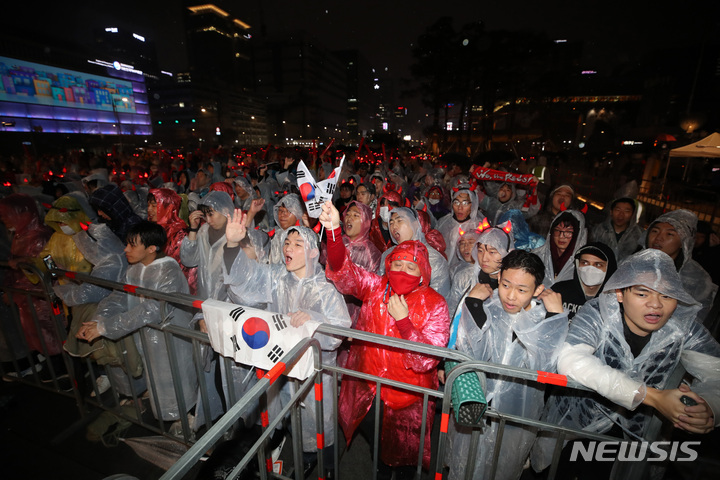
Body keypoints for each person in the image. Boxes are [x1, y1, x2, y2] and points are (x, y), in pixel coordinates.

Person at [531, 249, 720, 478]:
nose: (656, 305)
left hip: (635, 440)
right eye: (643, 294)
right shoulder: (599, 311)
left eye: (667, 296)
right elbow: (572, 359)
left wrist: (707, 408)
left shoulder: (684, 327)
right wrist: (652, 397)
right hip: (575, 431)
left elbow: (716, 372)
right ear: (620, 293)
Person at [320, 201, 450, 480]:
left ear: (423, 272)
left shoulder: (435, 303)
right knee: (378, 454)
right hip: (370, 392)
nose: (402, 271)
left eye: (410, 267)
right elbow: (345, 272)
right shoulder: (378, 287)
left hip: (408, 401)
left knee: (404, 462)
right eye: (397, 264)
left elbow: (428, 357)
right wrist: (332, 231)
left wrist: (404, 322)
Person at [222, 209, 351, 478]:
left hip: (316, 377)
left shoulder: (325, 288)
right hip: (282, 369)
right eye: (286, 243)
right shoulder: (277, 277)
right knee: (290, 420)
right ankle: (301, 461)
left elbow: (340, 330)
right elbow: (246, 279)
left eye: (297, 244)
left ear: (314, 252)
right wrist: (233, 245)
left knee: (318, 426)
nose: (288, 248)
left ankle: (327, 468)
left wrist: (313, 320)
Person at [447, 249, 567, 480]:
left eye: (522, 290)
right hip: (479, 408)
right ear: (499, 277)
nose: (511, 296)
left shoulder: (543, 320)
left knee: (503, 469)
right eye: (505, 285)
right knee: (465, 466)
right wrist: (472, 304)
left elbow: (545, 367)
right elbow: (470, 352)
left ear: (538, 290)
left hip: (516, 416)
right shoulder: (489, 308)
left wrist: (554, 318)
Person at [77, 221, 197, 423]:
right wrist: (99, 319)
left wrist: (106, 327)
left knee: (176, 381)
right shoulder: (133, 270)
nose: (126, 249)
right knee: (154, 376)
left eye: (132, 245)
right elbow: (118, 298)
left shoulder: (169, 271)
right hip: (145, 336)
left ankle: (184, 420)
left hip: (170, 339)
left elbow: (153, 309)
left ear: (151, 248)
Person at [642, 209, 718, 326]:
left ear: (684, 242)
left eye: (669, 234)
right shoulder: (631, 265)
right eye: (655, 231)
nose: (658, 238)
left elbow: (698, 320)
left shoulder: (698, 278)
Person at [377, 207, 451, 298]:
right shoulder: (388, 254)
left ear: (415, 223)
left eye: (399, 221)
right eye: (391, 223)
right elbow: (379, 288)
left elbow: (438, 300)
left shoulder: (434, 259)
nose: (394, 227)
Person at [148, 188, 197, 294]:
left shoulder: (179, 235)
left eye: (154, 206)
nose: (149, 210)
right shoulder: (153, 231)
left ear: (169, 208)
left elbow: (185, 274)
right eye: (148, 205)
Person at [551, 242, 617, 320]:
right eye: (585, 263)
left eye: (598, 265)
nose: (590, 269)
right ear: (578, 264)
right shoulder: (559, 291)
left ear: (609, 268)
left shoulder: (615, 300)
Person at [532, 210, 587, 287]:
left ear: (577, 235)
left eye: (568, 232)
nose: (561, 236)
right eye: (557, 230)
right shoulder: (537, 257)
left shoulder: (582, 264)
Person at [590, 197, 643, 262]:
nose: (621, 215)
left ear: (632, 214)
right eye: (618, 210)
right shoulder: (598, 230)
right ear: (611, 212)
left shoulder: (639, 235)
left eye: (626, 211)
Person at [269, 193, 305, 265]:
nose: (283, 215)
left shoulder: (305, 237)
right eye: (281, 211)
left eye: (289, 211)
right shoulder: (275, 234)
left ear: (298, 214)